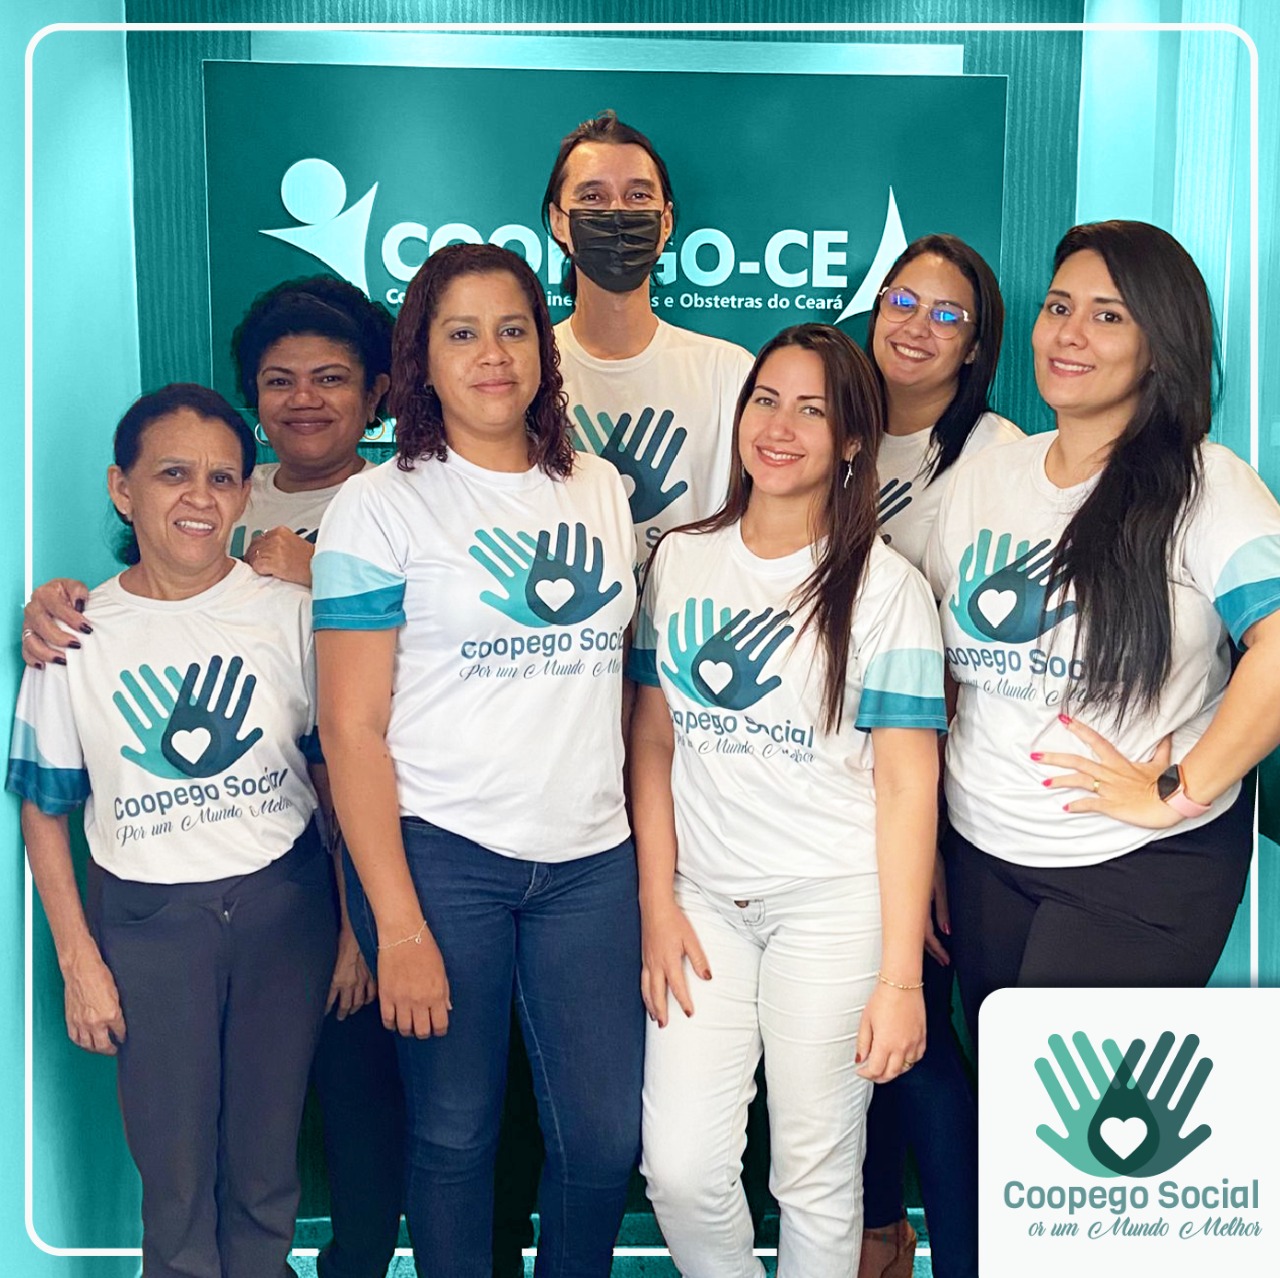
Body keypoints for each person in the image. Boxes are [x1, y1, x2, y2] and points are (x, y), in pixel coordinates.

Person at [20, 277, 405, 1278]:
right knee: (177, 1180)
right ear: (123, 489)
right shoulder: (74, 635)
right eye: (172, 476)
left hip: (285, 912)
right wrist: (78, 959)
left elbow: (335, 778)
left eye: (222, 479)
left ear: (245, 492)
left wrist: (353, 930)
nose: (199, 498)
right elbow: (44, 809)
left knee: (266, 1175)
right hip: (148, 924)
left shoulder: (287, 611)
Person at [312, 242, 643, 1278]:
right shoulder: (379, 504)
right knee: (455, 1133)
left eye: (512, 330)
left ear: (543, 350)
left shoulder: (599, 488)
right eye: (462, 334)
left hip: (591, 862)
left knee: (604, 1141)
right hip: (441, 856)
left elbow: (619, 683)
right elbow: (350, 730)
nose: (492, 355)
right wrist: (398, 925)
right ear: (421, 357)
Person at [630, 323, 945, 1278]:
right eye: (766, 400)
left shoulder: (887, 589)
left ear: (851, 441)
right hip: (702, 907)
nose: (780, 427)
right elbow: (653, 739)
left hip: (833, 907)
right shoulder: (682, 558)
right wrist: (656, 903)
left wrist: (900, 980)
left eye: (812, 410)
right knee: (679, 1169)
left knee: (814, 1173)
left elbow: (907, 785)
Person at [924, 220, 1280, 1038]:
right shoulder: (986, 480)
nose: (1070, 334)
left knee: (1067, 1105)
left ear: (1159, 345)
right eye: (1058, 307)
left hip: (1136, 866)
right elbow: (949, 675)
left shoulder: (1206, 486)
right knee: (1006, 1091)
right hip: (983, 856)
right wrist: (931, 842)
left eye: (1108, 315)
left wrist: (1181, 789)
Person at [858, 234, 1021, 1278]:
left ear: (975, 345)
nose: (916, 326)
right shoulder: (831, 421)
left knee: (921, 1041)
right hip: (828, 781)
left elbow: (977, 650)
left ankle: (967, 1254)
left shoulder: (997, 459)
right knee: (856, 1036)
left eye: (947, 313)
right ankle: (877, 1233)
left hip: (941, 792)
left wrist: (918, 855)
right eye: (901, 300)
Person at [543, 109, 756, 570]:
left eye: (638, 195)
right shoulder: (526, 374)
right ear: (559, 222)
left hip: (695, 614)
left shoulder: (730, 374)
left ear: (665, 222)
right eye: (593, 197)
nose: (617, 214)